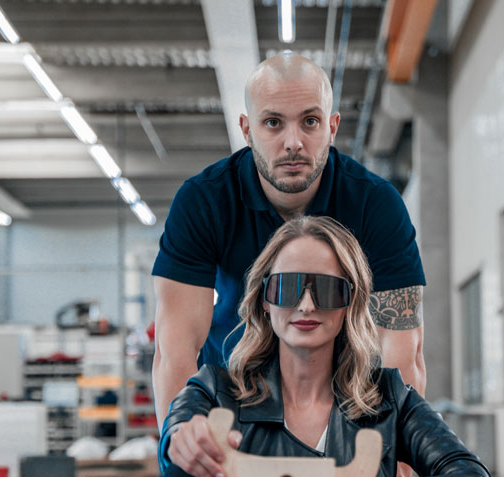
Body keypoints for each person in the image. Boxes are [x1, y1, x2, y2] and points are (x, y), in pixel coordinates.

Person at [156, 217, 495, 477]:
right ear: (265, 299)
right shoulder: (214, 391)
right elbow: (179, 431)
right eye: (288, 287)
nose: (306, 306)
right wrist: (184, 438)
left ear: (351, 302)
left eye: (328, 289)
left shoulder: (390, 398)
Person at [151, 51, 427, 426]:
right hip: (232, 405)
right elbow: (176, 352)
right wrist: (184, 444)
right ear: (247, 130)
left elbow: (402, 352)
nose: (293, 142)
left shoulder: (375, 205)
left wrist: (395, 451)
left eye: (310, 121)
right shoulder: (204, 202)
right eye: (273, 123)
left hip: (343, 410)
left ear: (332, 127)